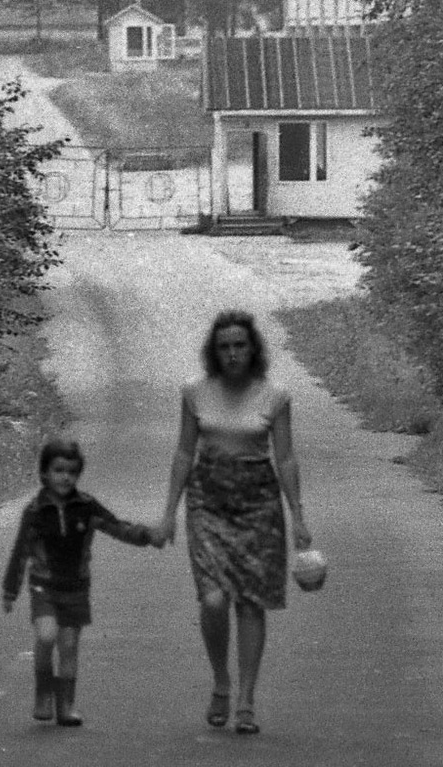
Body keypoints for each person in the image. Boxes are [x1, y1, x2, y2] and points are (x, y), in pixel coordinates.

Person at [153, 309, 312, 736]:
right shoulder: (194, 392)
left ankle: (246, 698)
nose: (232, 353)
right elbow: (185, 452)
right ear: (214, 351)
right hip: (208, 501)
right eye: (224, 346)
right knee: (213, 600)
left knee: (250, 602)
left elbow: (286, 456)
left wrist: (298, 515)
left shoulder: (274, 395)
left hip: (259, 503)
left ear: (253, 348)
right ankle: (221, 680)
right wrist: (169, 512)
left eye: (240, 344)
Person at [2, 438, 158, 726]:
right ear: (44, 474)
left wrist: (146, 535)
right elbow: (20, 550)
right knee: (47, 636)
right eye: (58, 470)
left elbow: (116, 527)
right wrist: (10, 589)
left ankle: (67, 706)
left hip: (75, 589)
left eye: (71, 472)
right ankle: (43, 693)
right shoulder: (35, 511)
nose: (65, 477)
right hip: (44, 586)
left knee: (70, 646)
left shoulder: (86, 506)